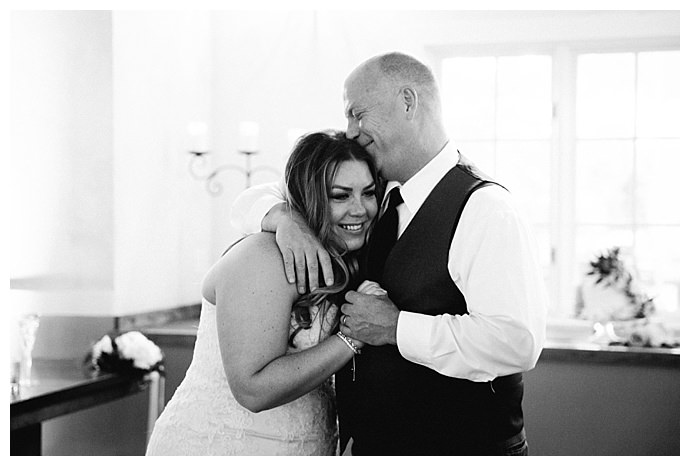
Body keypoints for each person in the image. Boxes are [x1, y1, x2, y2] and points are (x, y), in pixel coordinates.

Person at [230, 52, 547, 455]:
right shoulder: (375, 196)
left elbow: (516, 341)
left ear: (408, 102)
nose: (349, 132)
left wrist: (396, 327)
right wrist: (284, 219)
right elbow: (255, 199)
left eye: (356, 113)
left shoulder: (485, 209)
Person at [146, 130, 382, 455]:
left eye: (368, 193)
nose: (360, 209)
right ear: (310, 197)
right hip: (224, 445)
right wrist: (353, 338)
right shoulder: (262, 254)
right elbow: (253, 389)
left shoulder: (345, 259)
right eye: (340, 196)